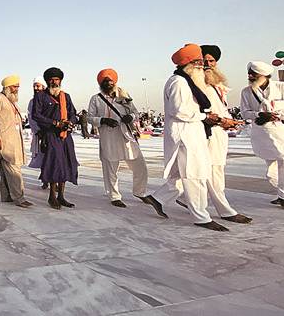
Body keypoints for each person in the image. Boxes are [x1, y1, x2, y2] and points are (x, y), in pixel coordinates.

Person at [142, 44, 229, 231]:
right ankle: (201, 217)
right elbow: (179, 111)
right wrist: (205, 116)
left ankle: (158, 199)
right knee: (194, 175)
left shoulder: (187, 81)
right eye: (199, 62)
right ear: (190, 64)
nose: (201, 66)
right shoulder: (179, 82)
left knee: (183, 174)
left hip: (193, 132)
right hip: (185, 135)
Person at [176, 45, 250, 223]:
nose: (208, 64)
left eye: (212, 61)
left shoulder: (216, 83)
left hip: (219, 132)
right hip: (206, 131)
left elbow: (220, 108)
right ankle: (225, 210)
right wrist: (221, 120)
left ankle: (186, 199)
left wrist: (229, 120)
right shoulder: (195, 83)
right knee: (213, 171)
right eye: (205, 61)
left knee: (213, 170)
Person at [87, 68, 149, 207]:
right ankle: (114, 196)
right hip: (109, 137)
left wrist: (130, 117)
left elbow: (135, 113)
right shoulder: (96, 99)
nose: (108, 83)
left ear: (114, 82)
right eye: (105, 81)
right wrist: (103, 120)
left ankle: (140, 192)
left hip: (126, 136)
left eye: (110, 81)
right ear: (101, 83)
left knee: (140, 166)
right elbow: (90, 118)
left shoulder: (123, 95)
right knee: (110, 168)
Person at [33, 68, 79, 209]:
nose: (54, 82)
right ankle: (52, 196)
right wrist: (55, 123)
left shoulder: (66, 97)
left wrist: (70, 122)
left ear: (60, 81)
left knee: (65, 163)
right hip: (51, 135)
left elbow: (73, 113)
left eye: (57, 80)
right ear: (47, 81)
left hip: (65, 136)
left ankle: (61, 196)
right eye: (51, 80)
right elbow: (36, 115)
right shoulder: (40, 96)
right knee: (54, 164)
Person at [240, 60, 284, 208]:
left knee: (282, 163)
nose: (250, 76)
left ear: (264, 75)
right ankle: (281, 194)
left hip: (280, 131)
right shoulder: (246, 92)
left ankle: (282, 196)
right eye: (249, 74)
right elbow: (244, 113)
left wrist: (277, 115)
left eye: (254, 74)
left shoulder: (280, 87)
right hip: (261, 134)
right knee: (271, 172)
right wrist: (259, 114)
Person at [0, 75, 33, 208]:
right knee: (14, 169)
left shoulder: (11, 101)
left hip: (14, 140)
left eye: (17, 86)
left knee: (6, 170)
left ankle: (7, 196)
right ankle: (19, 198)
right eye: (14, 86)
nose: (17, 89)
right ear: (7, 87)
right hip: (4, 140)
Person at [27, 76, 47, 188]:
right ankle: (45, 178)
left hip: (51, 134)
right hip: (39, 134)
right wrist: (38, 131)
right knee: (42, 157)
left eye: (38, 86)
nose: (36, 88)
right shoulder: (32, 102)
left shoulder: (49, 99)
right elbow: (31, 118)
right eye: (34, 86)